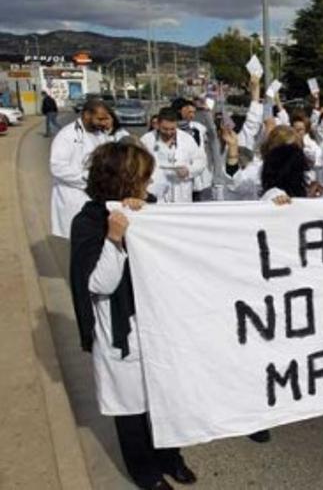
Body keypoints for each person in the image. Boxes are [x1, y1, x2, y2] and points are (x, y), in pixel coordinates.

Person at [69, 142, 197, 490]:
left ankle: (171, 458)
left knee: (164, 400)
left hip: (158, 329)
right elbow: (98, 283)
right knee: (131, 411)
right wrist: (115, 239)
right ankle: (146, 473)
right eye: (143, 177)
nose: (149, 184)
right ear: (124, 180)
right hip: (120, 334)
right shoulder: (89, 222)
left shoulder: (153, 212)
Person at [50, 98, 114, 238]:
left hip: (96, 197)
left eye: (105, 119)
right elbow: (57, 167)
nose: (104, 122)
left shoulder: (101, 134)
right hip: (74, 195)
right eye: (100, 119)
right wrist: (88, 178)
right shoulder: (67, 135)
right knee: (79, 242)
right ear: (86, 115)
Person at [140, 107, 207, 203]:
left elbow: (201, 161)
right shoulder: (146, 140)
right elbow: (137, 164)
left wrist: (188, 171)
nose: (169, 132)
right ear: (158, 124)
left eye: (172, 129)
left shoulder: (187, 139)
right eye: (165, 129)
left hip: (181, 190)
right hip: (155, 191)